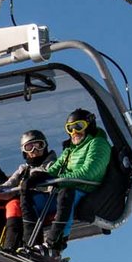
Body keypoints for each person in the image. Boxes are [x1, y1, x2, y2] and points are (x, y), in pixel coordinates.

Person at [32, 108, 111, 253]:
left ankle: (54, 245)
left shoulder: (98, 144)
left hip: (86, 190)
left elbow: (89, 172)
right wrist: (39, 178)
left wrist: (59, 181)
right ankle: (28, 243)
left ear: (89, 125)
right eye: (70, 128)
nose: (74, 132)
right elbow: (55, 168)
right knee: (31, 200)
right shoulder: (70, 149)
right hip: (64, 188)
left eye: (79, 126)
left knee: (66, 193)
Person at [0, 129, 53, 252]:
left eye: (38, 145)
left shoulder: (52, 163)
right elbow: (10, 185)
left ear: (45, 146)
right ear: (24, 151)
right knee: (13, 205)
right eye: (29, 147)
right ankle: (11, 246)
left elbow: (52, 173)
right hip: (28, 200)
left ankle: (32, 245)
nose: (34, 151)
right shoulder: (24, 169)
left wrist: (38, 177)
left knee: (25, 201)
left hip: (49, 199)